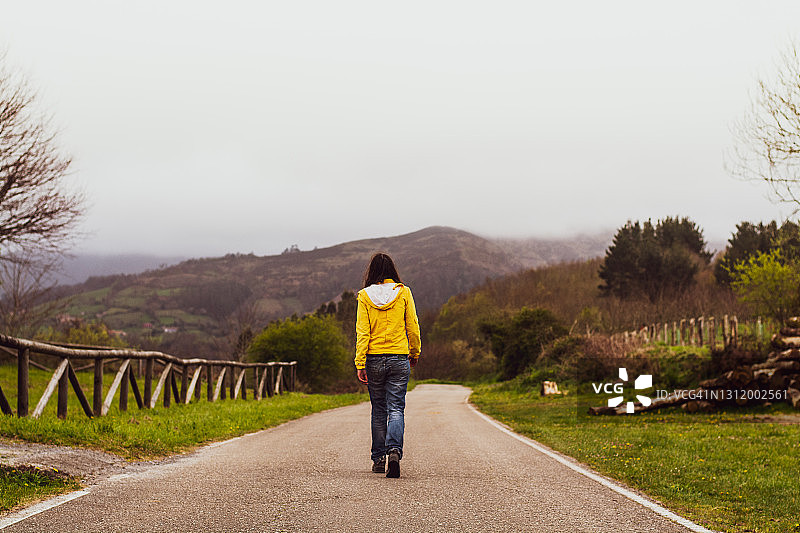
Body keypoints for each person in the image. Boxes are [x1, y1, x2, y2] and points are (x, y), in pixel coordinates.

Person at [355, 252, 421, 478]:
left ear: (371, 272)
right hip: (398, 357)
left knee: (379, 409)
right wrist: (414, 352)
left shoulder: (364, 296)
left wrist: (360, 361)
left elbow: (362, 332)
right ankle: (394, 450)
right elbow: (412, 325)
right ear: (392, 271)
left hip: (373, 358)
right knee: (396, 407)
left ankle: (378, 458)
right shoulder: (403, 292)